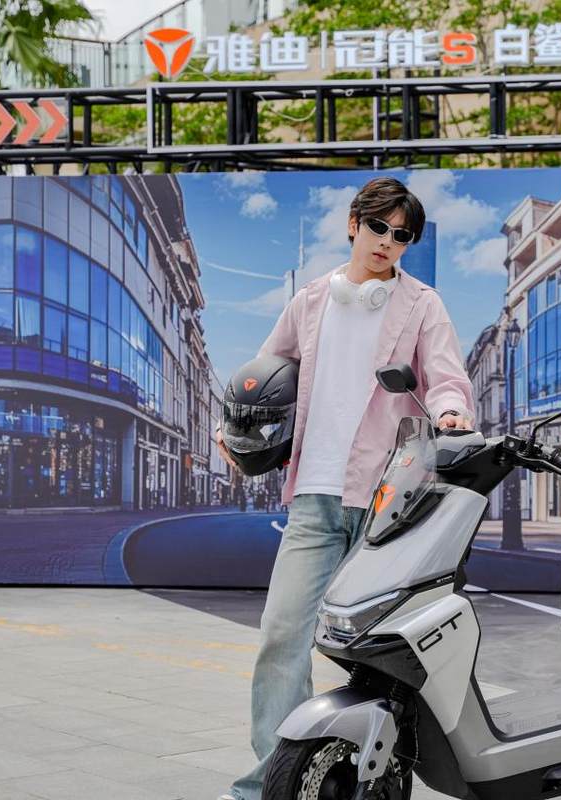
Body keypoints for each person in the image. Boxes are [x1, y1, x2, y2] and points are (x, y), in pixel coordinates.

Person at [215, 176, 474, 800]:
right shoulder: (309, 301)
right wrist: (235, 430)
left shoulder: (422, 305)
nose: (387, 241)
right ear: (354, 224)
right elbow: (262, 377)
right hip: (314, 497)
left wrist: (450, 413)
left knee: (382, 648)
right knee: (283, 636)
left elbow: (446, 377)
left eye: (402, 236)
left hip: (390, 503)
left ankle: (377, 770)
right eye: (379, 227)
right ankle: (270, 784)